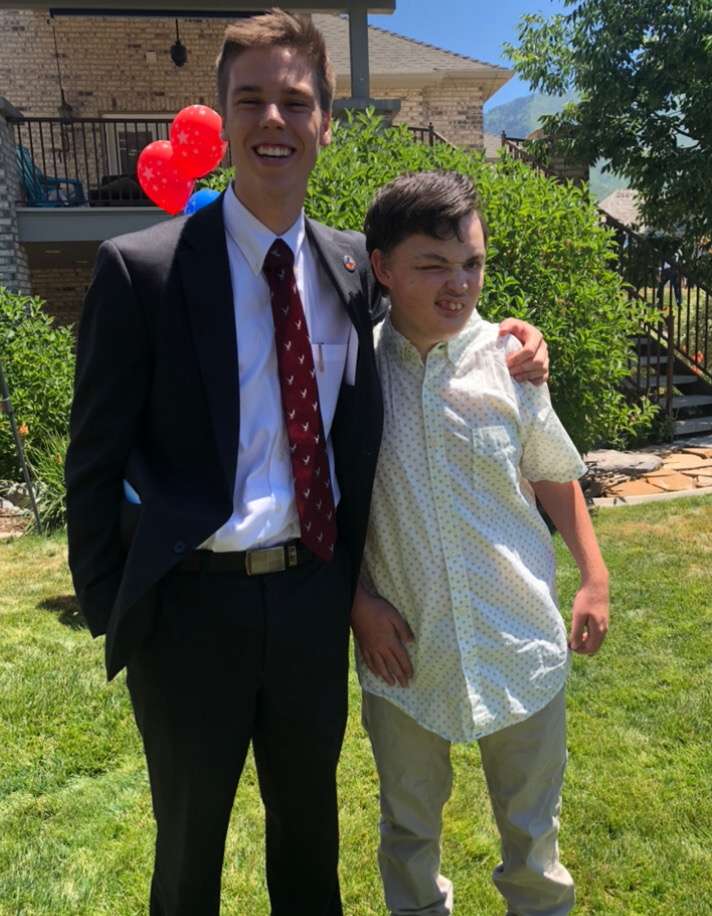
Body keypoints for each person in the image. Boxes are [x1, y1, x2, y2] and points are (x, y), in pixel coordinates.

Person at [65, 12, 549, 916]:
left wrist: (514, 339)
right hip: (187, 615)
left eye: (295, 100)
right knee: (187, 856)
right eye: (252, 100)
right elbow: (91, 456)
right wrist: (115, 604)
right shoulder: (142, 272)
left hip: (308, 608)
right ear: (223, 117)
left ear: (326, 120)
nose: (274, 120)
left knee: (309, 845)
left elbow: (431, 319)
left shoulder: (347, 270)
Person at [351, 171, 610, 916]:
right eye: (433, 265)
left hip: (518, 637)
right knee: (407, 832)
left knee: (534, 839)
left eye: (472, 263)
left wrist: (593, 577)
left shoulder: (512, 363)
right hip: (405, 650)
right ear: (383, 269)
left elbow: (554, 475)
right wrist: (356, 603)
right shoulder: (353, 374)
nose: (458, 283)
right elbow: (329, 508)